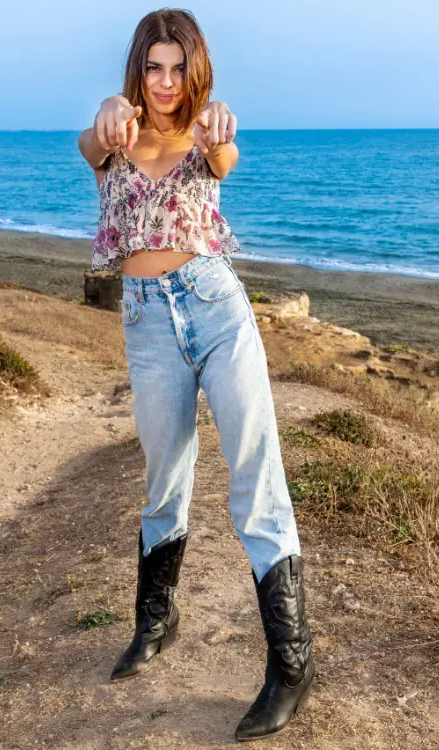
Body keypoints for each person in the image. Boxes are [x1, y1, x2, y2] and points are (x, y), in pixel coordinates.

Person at [78, 8, 314, 743]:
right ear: (137, 73)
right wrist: (105, 111)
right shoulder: (111, 140)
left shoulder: (207, 137)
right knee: (164, 478)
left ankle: (292, 662)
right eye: (154, 67)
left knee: (255, 472)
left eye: (179, 68)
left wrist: (220, 128)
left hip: (216, 308)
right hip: (147, 321)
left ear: (196, 71)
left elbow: (226, 153)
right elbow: (89, 140)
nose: (167, 82)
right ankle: (157, 620)